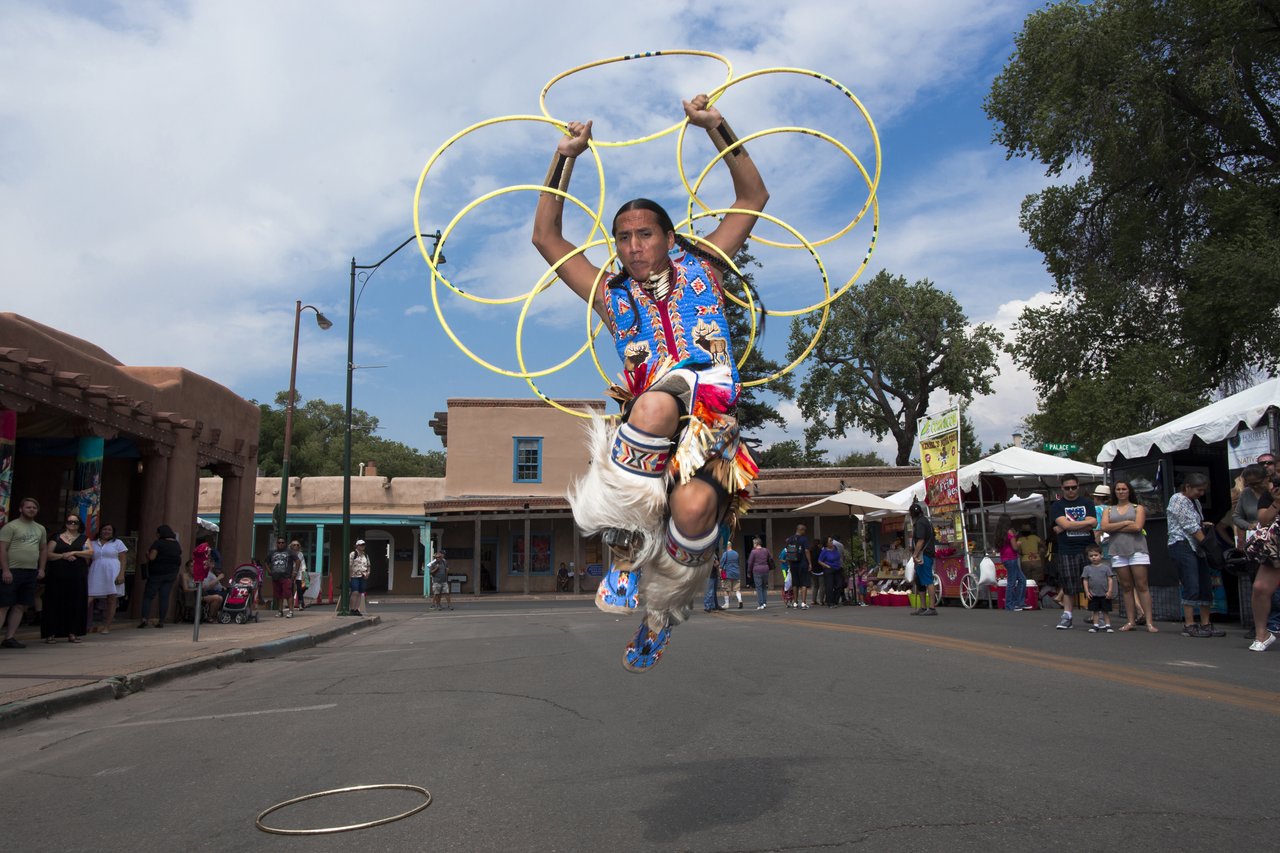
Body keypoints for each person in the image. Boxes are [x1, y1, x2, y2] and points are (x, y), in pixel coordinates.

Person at [531, 92, 768, 669]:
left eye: (646, 234)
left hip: (712, 415)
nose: (635, 246)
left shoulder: (706, 266)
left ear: (668, 237)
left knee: (691, 511)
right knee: (657, 405)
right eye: (624, 237)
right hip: (652, 418)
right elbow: (547, 238)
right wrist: (565, 157)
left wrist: (715, 126)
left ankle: (660, 616)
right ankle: (626, 549)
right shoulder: (610, 296)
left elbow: (753, 196)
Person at [1166, 472, 1223, 638]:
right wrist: (1209, 546)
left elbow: (1195, 523)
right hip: (1182, 545)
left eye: (1203, 490)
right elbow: (1189, 526)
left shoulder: (1195, 501)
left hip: (1197, 547)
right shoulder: (1178, 499)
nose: (1201, 493)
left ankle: (1206, 623)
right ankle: (1189, 624)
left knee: (1205, 583)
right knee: (1191, 583)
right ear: (1188, 487)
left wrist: (1204, 526)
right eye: (1198, 490)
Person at [1100, 480, 1154, 633]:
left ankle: (1149, 621)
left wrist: (1115, 527)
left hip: (1137, 549)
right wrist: (1125, 523)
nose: (1121, 492)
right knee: (1126, 587)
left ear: (1129, 491)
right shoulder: (1109, 510)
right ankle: (1131, 621)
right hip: (1117, 550)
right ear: (1114, 492)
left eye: (1124, 489)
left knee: (1142, 585)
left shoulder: (1138, 508)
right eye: (1118, 489)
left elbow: (1137, 527)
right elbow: (1104, 527)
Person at [1049, 476, 1097, 630]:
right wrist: (1080, 524)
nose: (1071, 490)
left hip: (1088, 548)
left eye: (1073, 487)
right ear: (1062, 488)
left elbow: (1093, 523)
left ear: (1078, 486)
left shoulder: (1087, 503)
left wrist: (1068, 525)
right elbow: (1063, 524)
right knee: (1068, 584)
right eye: (1067, 488)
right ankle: (1067, 616)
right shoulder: (1057, 505)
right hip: (1067, 549)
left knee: (1094, 583)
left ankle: (1097, 615)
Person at [0, 497, 47, 648]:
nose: (31, 510)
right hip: (12, 571)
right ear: (21, 509)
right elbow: (2, 549)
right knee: (3, 605)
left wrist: (41, 568)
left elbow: (43, 549)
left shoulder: (40, 528)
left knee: (20, 605)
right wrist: (5, 570)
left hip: (30, 571)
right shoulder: (11, 527)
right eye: (28, 507)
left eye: (34, 508)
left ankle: (10, 637)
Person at [42, 513, 92, 643]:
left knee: (75, 602)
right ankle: (51, 633)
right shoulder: (57, 537)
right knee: (54, 601)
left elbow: (90, 553)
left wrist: (75, 552)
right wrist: (63, 556)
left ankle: (73, 632)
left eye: (75, 522)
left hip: (77, 575)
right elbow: (48, 554)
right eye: (70, 522)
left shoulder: (84, 538)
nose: (72, 524)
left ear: (79, 524)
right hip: (57, 574)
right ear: (65, 523)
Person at [1246, 472, 1280, 650]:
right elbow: (1264, 520)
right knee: (1260, 587)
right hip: (1276, 546)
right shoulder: (1272, 494)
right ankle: (1262, 635)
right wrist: (1277, 502)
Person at [87, 522, 128, 634]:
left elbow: (123, 559)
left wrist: (121, 574)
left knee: (111, 598)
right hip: (96, 571)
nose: (106, 532)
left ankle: (107, 626)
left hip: (113, 571)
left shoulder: (118, 543)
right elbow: (87, 557)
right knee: (89, 596)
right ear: (100, 530)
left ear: (113, 532)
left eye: (109, 530)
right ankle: (79, 624)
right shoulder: (92, 543)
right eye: (104, 529)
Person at [139, 524, 182, 628]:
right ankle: (161, 620)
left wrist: (147, 555)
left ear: (160, 533)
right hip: (171, 574)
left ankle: (144, 619)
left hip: (156, 574)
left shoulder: (158, 543)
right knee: (164, 597)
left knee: (148, 596)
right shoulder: (176, 544)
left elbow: (152, 557)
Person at [908, 502, 937, 616]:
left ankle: (931, 607)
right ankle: (924, 607)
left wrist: (915, 554)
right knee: (919, 580)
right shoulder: (926, 521)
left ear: (912, 515)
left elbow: (921, 540)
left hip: (923, 554)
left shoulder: (920, 523)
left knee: (927, 580)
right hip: (926, 553)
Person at [1080, 543, 1115, 632]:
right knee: (1095, 611)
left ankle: (1108, 625)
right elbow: (1085, 580)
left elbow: (1110, 579)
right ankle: (1095, 625)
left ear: (1101, 555)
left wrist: (1110, 591)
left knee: (1105, 611)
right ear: (1088, 557)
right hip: (1093, 594)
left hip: (1104, 593)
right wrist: (1087, 592)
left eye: (1096, 555)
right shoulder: (1087, 568)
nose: (1094, 557)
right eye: (1091, 556)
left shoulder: (1106, 568)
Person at [995, 515, 1026, 612]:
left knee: (1022, 579)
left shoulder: (999, 533)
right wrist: (1019, 543)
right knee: (1012, 582)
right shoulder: (1010, 532)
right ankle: (1010, 605)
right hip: (1011, 558)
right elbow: (1015, 547)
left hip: (1005, 558)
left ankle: (1019, 603)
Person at [179, 559, 224, 623]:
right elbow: (185, 589)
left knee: (220, 598)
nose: (193, 568)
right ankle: (210, 617)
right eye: (191, 566)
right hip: (191, 597)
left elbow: (203, 587)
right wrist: (197, 589)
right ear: (187, 568)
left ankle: (211, 616)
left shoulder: (196, 576)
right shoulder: (184, 576)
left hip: (200, 595)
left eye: (195, 566)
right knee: (216, 597)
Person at [266, 535, 296, 618]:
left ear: (285, 544)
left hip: (286, 576)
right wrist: (269, 571)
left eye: (282, 542)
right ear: (276, 544)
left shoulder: (289, 552)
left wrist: (295, 572)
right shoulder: (272, 552)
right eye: (279, 542)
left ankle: (290, 611)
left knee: (288, 594)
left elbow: (298, 561)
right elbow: (266, 562)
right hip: (275, 577)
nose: (281, 544)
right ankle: (280, 611)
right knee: (279, 595)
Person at [785, 524, 813, 610]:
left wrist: (789, 563)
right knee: (803, 583)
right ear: (801, 530)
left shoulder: (789, 539)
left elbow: (787, 552)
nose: (804, 532)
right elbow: (806, 551)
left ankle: (795, 603)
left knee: (795, 583)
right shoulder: (804, 539)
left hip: (793, 564)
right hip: (803, 563)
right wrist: (810, 563)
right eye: (804, 530)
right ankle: (803, 603)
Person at [817, 537, 842, 608]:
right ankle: (830, 602)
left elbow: (839, 556)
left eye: (832, 540)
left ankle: (835, 600)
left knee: (839, 585)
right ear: (826, 544)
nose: (832, 542)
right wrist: (826, 566)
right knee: (829, 586)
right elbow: (819, 561)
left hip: (838, 568)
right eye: (830, 541)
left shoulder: (835, 548)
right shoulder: (824, 551)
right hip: (829, 569)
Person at [747, 537, 771, 609]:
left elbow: (750, 562)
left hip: (757, 570)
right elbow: (770, 558)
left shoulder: (754, 552)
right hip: (765, 569)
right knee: (764, 587)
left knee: (759, 588)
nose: (753, 545)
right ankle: (764, 603)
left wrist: (749, 572)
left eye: (753, 543)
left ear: (756, 543)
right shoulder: (766, 550)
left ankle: (760, 604)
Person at [348, 539, 371, 615]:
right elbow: (350, 565)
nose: (362, 546)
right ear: (357, 546)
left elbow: (368, 565)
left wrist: (368, 573)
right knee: (355, 592)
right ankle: (351, 609)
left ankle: (356, 609)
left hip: (363, 576)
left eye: (363, 545)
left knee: (360, 593)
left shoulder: (365, 555)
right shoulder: (353, 554)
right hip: (354, 575)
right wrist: (350, 576)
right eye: (361, 545)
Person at [720, 543, 742, 609]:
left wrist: (720, 574)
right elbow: (738, 562)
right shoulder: (736, 553)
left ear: (727, 546)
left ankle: (727, 604)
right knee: (737, 589)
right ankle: (740, 600)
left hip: (728, 574)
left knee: (726, 590)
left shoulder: (725, 554)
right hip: (736, 573)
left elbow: (721, 565)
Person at [289, 540, 308, 611]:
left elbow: (303, 564)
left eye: (297, 545)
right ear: (291, 546)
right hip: (291, 573)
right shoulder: (289, 553)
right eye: (294, 545)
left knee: (300, 589)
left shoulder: (300, 554)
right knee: (290, 589)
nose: (296, 546)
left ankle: (301, 604)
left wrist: (304, 572)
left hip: (299, 573)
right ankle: (290, 604)